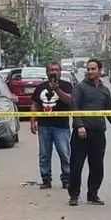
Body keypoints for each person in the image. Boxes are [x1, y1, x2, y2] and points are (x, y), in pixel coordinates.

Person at [68, 58, 111, 206]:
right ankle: (74, 195)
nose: (90, 71)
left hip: (98, 134)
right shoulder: (80, 88)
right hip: (81, 134)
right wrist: (79, 125)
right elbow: (74, 107)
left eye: (93, 69)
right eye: (88, 69)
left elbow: (110, 113)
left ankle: (93, 195)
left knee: (97, 167)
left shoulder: (104, 90)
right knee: (76, 166)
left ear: (100, 71)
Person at [29, 61, 74, 190]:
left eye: (56, 70)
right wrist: (33, 120)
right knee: (44, 154)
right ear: (47, 72)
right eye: (51, 70)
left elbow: (70, 101)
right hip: (44, 125)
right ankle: (46, 179)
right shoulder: (40, 87)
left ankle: (67, 179)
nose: (54, 72)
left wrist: (57, 89)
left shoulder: (66, 86)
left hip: (61, 126)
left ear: (60, 72)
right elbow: (35, 104)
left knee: (64, 154)